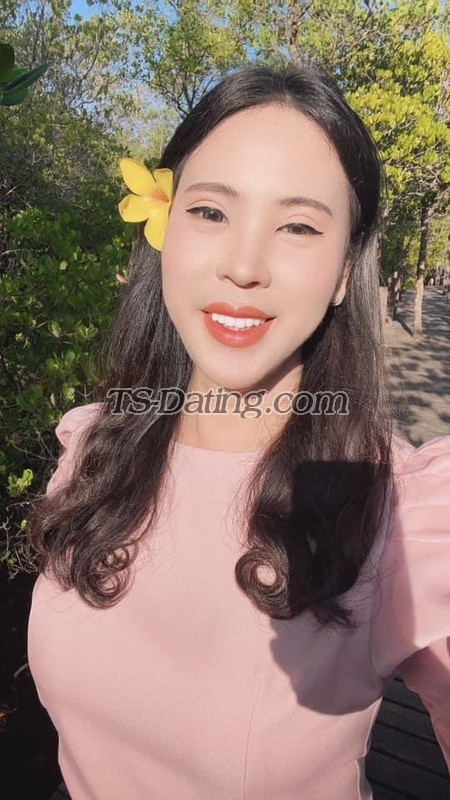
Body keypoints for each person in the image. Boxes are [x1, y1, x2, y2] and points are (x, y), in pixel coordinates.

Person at [27, 59, 450, 800]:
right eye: (211, 212)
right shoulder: (94, 450)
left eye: (298, 226)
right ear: (165, 229)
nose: (244, 267)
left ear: (345, 270)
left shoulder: (395, 512)